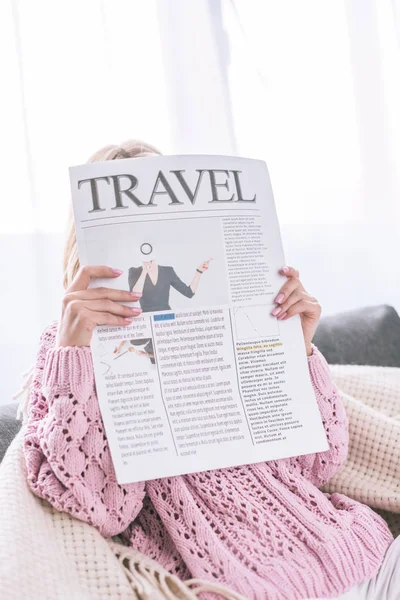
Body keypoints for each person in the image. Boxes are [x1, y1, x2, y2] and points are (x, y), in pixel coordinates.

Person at [23, 140, 398, 600]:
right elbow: (99, 505)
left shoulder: (228, 310)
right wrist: (74, 354)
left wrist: (298, 351)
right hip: (250, 586)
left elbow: (319, 463)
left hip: (365, 551)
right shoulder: (65, 350)